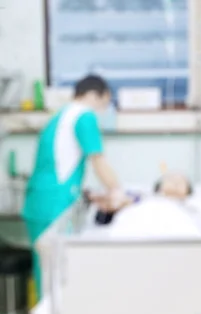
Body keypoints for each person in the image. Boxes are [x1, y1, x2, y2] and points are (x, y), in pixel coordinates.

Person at [22, 74, 127, 301]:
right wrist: (118, 192)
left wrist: (86, 192)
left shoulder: (60, 116)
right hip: (55, 203)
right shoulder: (84, 116)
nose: (104, 109)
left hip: (39, 200)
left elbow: (61, 162)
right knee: (56, 270)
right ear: (100, 95)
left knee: (45, 269)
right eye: (105, 103)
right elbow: (98, 160)